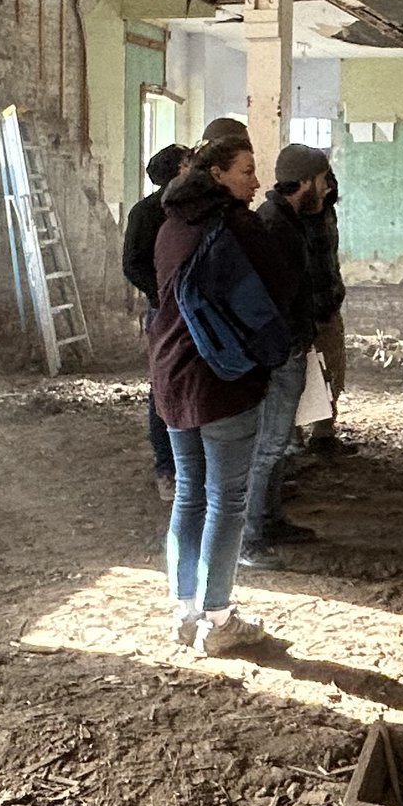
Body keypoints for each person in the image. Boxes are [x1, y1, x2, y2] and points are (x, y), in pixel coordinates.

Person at [149, 133, 296, 657]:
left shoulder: (169, 224)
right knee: (227, 500)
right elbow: (279, 290)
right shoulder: (237, 226)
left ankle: (185, 613)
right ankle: (218, 618)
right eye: (246, 171)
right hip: (222, 378)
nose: (256, 182)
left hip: (170, 372)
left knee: (189, 493)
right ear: (216, 175)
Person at [242, 144, 335, 567]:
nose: (327, 187)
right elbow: (274, 295)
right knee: (267, 446)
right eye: (323, 179)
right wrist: (289, 341)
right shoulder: (275, 226)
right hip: (281, 351)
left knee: (277, 445)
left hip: (289, 345)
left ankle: (270, 519)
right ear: (306, 181)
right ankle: (249, 538)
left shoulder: (286, 220)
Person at [122, 143, 190, 500]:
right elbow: (132, 264)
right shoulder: (146, 213)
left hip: (191, 308)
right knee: (163, 386)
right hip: (163, 310)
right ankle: (166, 467)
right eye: (188, 163)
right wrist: (161, 294)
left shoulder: (192, 208)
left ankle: (189, 466)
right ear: (177, 171)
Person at [297, 165, 354, 457]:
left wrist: (335, 291)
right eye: (323, 182)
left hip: (328, 306)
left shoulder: (327, 214)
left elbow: (330, 260)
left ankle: (323, 432)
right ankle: (291, 438)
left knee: (332, 370)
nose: (328, 187)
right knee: (296, 375)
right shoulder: (289, 219)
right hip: (301, 312)